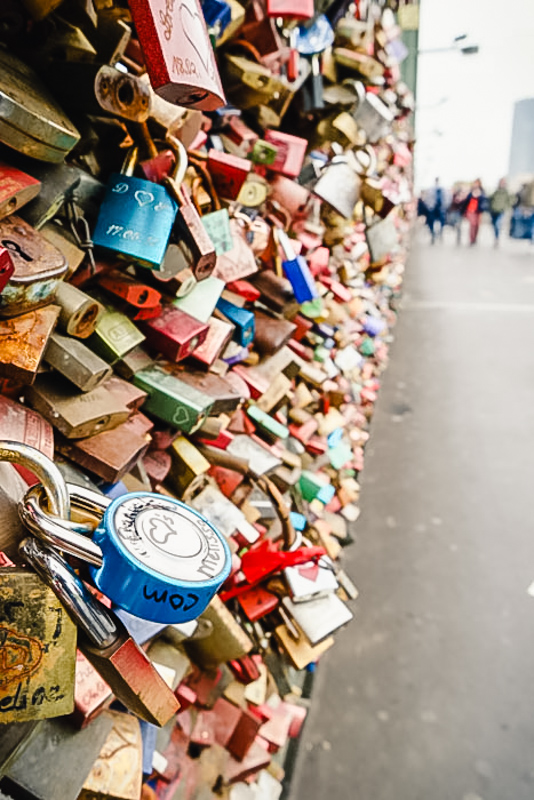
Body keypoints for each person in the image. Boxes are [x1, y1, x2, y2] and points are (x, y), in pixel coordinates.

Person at [464, 179, 487, 246]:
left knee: (477, 225)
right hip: (471, 210)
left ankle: (475, 238)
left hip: (478, 211)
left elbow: (484, 200)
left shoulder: (482, 192)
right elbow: (467, 200)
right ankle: (471, 239)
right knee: (472, 225)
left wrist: (479, 195)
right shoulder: (471, 191)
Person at [489, 178, 510, 246]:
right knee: (494, 225)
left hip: (501, 210)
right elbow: (490, 198)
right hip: (493, 210)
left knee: (498, 224)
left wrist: (506, 206)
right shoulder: (496, 191)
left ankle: (497, 238)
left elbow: (510, 200)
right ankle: (496, 236)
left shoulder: (506, 192)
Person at [425, 178, 446, 244]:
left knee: (442, 221)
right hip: (433, 208)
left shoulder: (442, 189)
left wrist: (444, 206)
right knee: (431, 221)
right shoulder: (431, 189)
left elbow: (446, 198)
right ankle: (433, 235)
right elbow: (427, 198)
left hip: (440, 207)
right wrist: (429, 206)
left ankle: (440, 233)